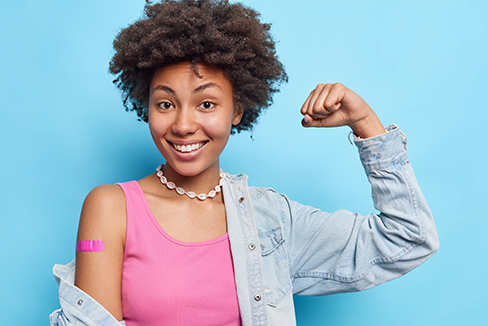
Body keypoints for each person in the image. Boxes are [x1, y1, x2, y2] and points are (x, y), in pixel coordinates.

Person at [50, 0, 439, 325]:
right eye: (165, 104)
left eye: (206, 104)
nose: (184, 125)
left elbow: (408, 240)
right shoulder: (111, 207)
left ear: (237, 110)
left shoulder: (272, 222)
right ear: (146, 106)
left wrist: (366, 125)